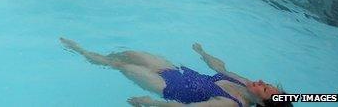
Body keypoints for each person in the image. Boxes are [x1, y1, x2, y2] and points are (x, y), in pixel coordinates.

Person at [60, 39, 291, 107]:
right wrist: (203, 52)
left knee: (121, 66)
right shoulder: (244, 82)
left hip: (165, 87)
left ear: (262, 104)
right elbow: (221, 68)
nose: (261, 81)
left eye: (265, 88)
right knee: (130, 53)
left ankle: (79, 51)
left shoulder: (230, 104)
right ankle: (95, 52)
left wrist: (149, 102)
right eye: (267, 83)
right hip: (174, 72)